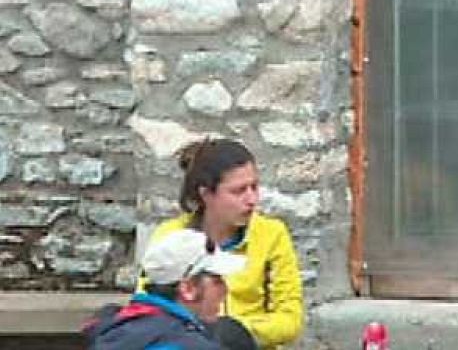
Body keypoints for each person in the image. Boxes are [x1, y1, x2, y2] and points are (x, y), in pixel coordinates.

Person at [148, 138, 304, 348]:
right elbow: (150, 308)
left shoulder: (272, 233)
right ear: (206, 194)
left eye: (254, 187)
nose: (252, 199)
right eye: (239, 191)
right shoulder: (171, 236)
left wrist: (233, 332)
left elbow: (290, 320)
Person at [88, 228, 245, 349]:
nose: (225, 290)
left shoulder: (117, 327)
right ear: (188, 289)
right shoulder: (188, 344)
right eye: (217, 281)